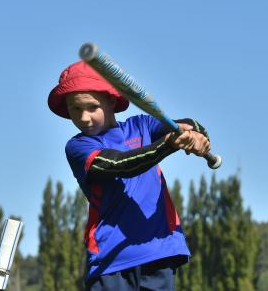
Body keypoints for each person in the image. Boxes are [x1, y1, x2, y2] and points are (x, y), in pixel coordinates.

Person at [47, 61, 211, 291]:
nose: (84, 117)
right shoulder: (78, 146)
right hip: (111, 261)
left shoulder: (142, 125)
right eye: (76, 109)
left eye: (91, 107)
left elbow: (184, 125)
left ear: (112, 101)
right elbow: (120, 164)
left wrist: (195, 134)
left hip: (160, 251)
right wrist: (167, 146)